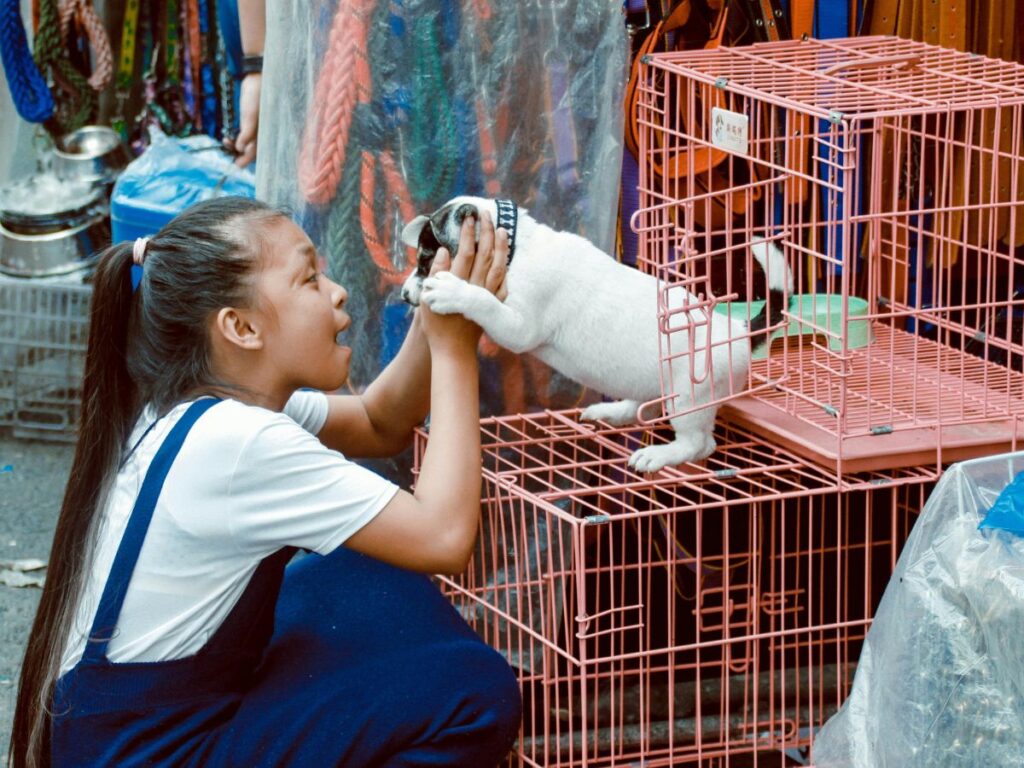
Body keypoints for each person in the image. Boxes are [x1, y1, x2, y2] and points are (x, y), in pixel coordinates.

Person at [9, 195, 521, 767]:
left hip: (118, 725)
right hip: (144, 752)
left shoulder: (200, 404)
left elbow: (381, 423)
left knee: (368, 566)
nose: (337, 291)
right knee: (475, 692)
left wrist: (435, 308)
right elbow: (445, 537)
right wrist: (457, 345)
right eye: (309, 279)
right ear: (241, 327)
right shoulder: (239, 442)